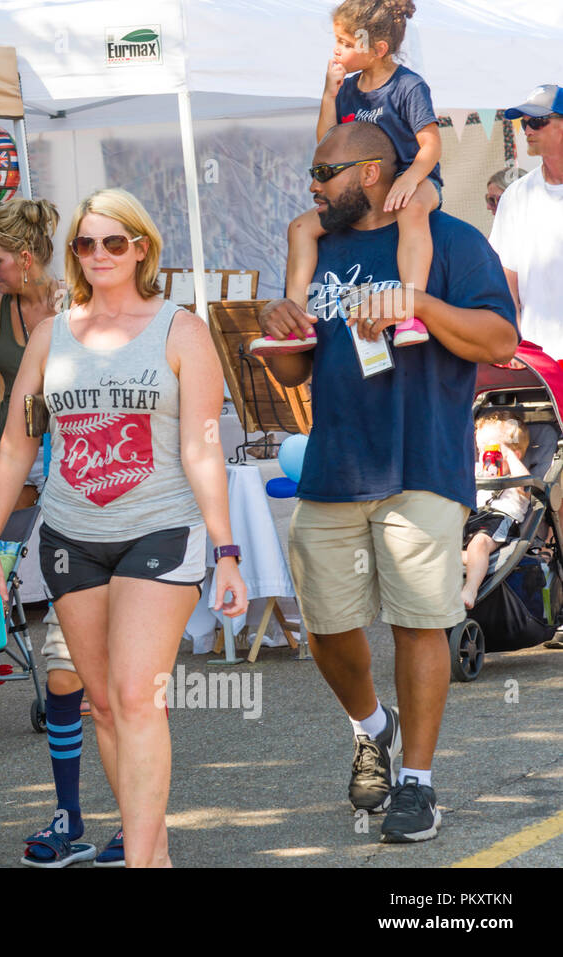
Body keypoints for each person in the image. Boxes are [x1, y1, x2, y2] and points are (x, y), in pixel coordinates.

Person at [258, 121, 518, 844]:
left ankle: (418, 784)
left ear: (372, 172)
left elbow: (499, 341)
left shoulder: (451, 240)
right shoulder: (320, 247)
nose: (314, 185)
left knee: (416, 620)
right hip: (336, 463)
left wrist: (419, 307)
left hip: (422, 462)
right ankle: (373, 724)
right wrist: (282, 322)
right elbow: (291, 370)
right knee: (329, 627)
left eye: (324, 171)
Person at [0, 187, 248, 867]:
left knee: (136, 694)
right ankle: (150, 852)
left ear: (141, 248)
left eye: (113, 242)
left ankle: (143, 859)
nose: (99, 255)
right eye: (86, 244)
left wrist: (228, 548)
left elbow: (203, 446)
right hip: (70, 534)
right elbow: (15, 447)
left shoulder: (179, 329)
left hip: (160, 529)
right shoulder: (51, 334)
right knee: (101, 703)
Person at [0, 197, 93, 865]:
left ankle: (58, 662)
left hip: (79, 456)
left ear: (30, 258)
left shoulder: (81, 298)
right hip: (20, 446)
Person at [253, 0, 440, 355]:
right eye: (336, 39)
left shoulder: (408, 86)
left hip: (414, 178)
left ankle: (410, 312)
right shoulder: (350, 89)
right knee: (300, 227)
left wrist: (410, 178)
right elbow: (329, 142)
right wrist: (330, 93)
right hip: (367, 190)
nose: (336, 49)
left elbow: (431, 145)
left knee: (411, 211)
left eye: (346, 42)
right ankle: (297, 323)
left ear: (378, 49)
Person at [490, 84, 563, 359]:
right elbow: (506, 280)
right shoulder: (516, 195)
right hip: (539, 356)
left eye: (538, 121)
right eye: (524, 123)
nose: (528, 130)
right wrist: (516, 342)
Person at [462, 411, 531, 609]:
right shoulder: (478, 470)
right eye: (480, 448)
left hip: (498, 520)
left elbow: (527, 488)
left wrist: (509, 456)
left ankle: (470, 589)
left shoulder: (518, 476)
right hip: (472, 517)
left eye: (490, 449)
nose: (484, 454)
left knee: (479, 543)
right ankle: (471, 559)